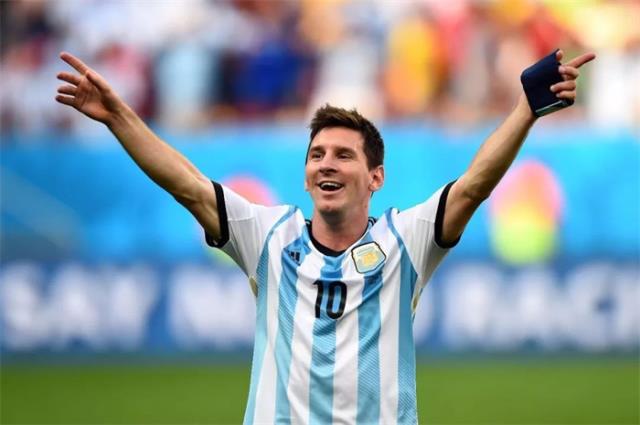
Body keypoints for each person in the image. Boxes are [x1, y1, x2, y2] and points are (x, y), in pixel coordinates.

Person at [56, 49, 595, 424]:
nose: (326, 164)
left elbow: (473, 186)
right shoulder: (269, 236)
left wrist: (526, 111)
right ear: (306, 174)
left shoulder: (405, 241)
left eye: (343, 155)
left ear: (376, 177)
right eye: (316, 155)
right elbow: (187, 184)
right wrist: (118, 116)